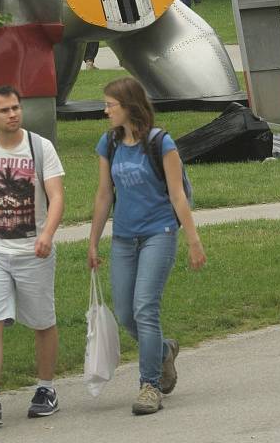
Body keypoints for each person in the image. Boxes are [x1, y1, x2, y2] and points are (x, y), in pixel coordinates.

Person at [88, 77, 206, 415]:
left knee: (145, 308)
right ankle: (164, 351)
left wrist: (193, 240)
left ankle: (149, 385)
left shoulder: (161, 143)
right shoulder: (108, 144)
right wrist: (93, 241)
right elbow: (104, 195)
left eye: (111, 104)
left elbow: (177, 194)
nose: (106, 110)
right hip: (124, 238)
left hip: (159, 233)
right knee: (125, 312)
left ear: (129, 107)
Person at [0, 84, 65, 427]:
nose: (13, 114)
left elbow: (57, 197)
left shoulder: (40, 147)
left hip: (32, 252)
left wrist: (48, 235)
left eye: (16, 108)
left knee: (41, 322)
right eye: (5, 110)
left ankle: (45, 388)